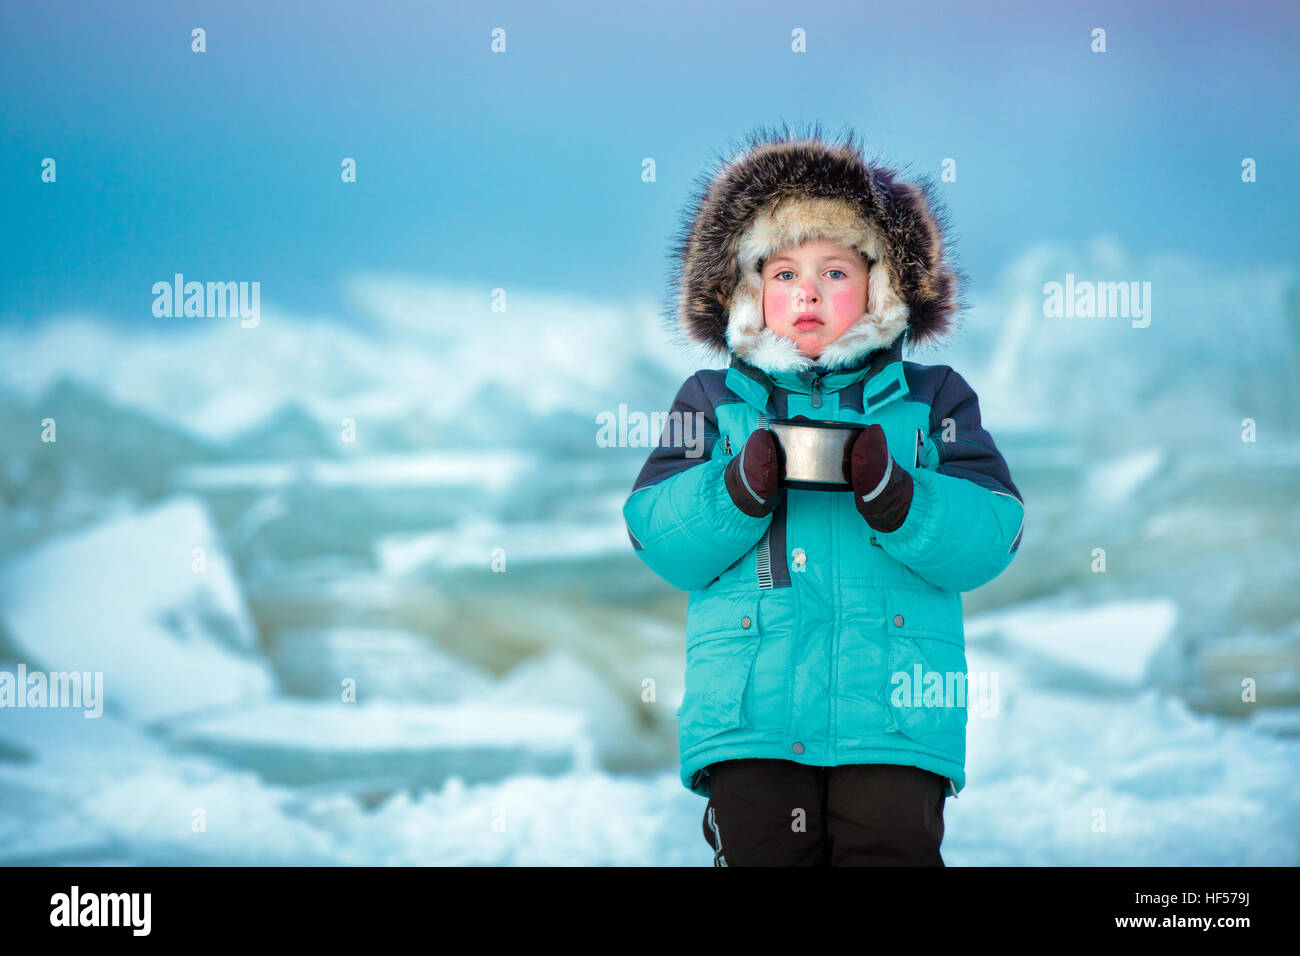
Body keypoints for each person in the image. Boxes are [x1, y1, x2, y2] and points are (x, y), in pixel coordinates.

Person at [622, 124, 1026, 866]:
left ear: (883, 283)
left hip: (895, 718)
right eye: (783, 273)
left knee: (893, 850)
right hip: (754, 716)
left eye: (835, 271)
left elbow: (996, 533)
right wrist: (736, 487)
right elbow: (656, 534)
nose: (808, 291)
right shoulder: (711, 400)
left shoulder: (932, 399)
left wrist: (902, 499)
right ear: (746, 290)